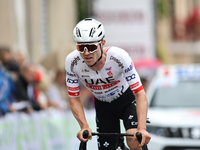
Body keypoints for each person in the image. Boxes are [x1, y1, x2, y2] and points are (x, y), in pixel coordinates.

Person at [65, 18, 151, 150]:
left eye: (92, 47)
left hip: (127, 100)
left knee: (134, 140)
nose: (86, 52)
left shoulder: (119, 57)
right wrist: (83, 126)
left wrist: (142, 129)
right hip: (103, 105)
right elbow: (74, 97)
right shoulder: (72, 61)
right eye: (81, 47)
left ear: (102, 43)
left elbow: (139, 93)